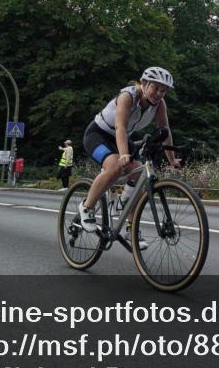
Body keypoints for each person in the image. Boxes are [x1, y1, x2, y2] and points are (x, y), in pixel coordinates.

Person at [77, 67, 182, 250]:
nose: (159, 94)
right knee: (115, 167)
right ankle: (87, 207)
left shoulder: (159, 105)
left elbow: (165, 131)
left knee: (139, 174)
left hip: (123, 138)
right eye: (155, 88)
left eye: (163, 91)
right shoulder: (128, 97)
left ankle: (130, 227)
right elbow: (121, 128)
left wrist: (172, 160)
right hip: (98, 135)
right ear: (144, 84)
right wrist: (124, 154)